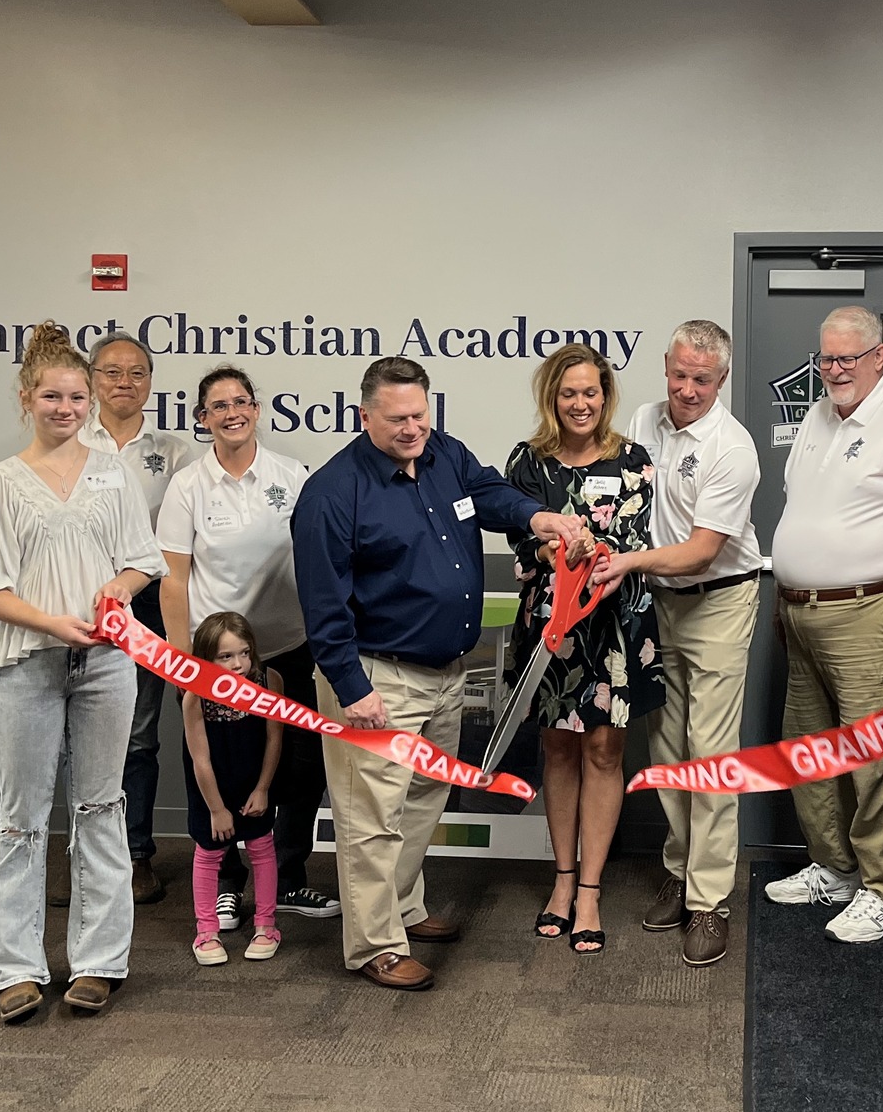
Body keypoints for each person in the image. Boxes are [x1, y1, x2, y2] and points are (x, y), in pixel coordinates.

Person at [292, 357, 590, 991]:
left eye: (420, 414)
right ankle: (373, 945)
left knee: (423, 801)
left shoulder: (443, 455)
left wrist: (539, 518)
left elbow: (490, 494)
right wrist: (353, 690)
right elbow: (322, 611)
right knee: (371, 816)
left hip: (444, 672)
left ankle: (401, 910)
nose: (411, 428)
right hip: (377, 678)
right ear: (364, 415)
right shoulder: (331, 493)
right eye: (397, 418)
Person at [0, 321, 165, 1024]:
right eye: (52, 396)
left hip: (107, 664)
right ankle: (12, 970)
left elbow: (141, 558)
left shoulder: (113, 475)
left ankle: (100, 963)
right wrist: (53, 622)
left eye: (76, 396)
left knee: (101, 809)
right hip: (25, 664)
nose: (66, 408)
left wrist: (117, 593)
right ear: (25, 398)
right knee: (21, 819)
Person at [765, 305, 883, 944]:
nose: (835, 370)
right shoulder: (818, 416)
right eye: (826, 358)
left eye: (849, 357)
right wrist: (784, 596)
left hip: (874, 610)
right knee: (811, 747)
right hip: (802, 611)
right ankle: (837, 869)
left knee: (880, 757)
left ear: (881, 356)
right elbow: (806, 513)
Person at [598, 319, 763, 968]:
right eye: (678, 374)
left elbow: (700, 552)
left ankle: (710, 901)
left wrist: (627, 565)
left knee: (710, 751)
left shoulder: (732, 446)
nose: (687, 389)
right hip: (654, 605)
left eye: (701, 378)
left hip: (717, 600)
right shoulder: (641, 420)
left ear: (722, 379)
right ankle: (682, 869)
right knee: (665, 744)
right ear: (665, 366)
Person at [157, 365, 339, 933]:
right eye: (218, 405)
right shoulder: (187, 485)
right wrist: (182, 659)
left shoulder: (294, 476)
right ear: (203, 419)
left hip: (288, 648)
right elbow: (172, 579)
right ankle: (230, 883)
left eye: (242, 401)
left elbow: (320, 559)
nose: (232, 412)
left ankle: (284, 878)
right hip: (217, 661)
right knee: (223, 768)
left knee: (301, 767)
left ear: (257, 409)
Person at [503, 343, 664, 956]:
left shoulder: (634, 460)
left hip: (612, 625)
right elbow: (521, 537)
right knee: (559, 751)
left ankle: (591, 890)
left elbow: (632, 538)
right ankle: (562, 882)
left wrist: (591, 557)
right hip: (551, 626)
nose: (580, 403)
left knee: (603, 751)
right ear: (553, 397)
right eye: (568, 393)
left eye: (590, 392)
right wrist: (546, 553)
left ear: (605, 396)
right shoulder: (528, 462)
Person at [80, 331, 199, 905]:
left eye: (136, 373)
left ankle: (135, 855)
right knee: (75, 735)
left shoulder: (175, 453)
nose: (123, 382)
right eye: (111, 372)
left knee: (138, 737)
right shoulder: (70, 438)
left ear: (150, 382)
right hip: (77, 599)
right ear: (91, 378)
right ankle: (85, 860)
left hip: (147, 602)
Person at [182, 610, 284, 966]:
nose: (238, 664)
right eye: (225, 656)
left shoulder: (269, 680)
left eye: (244, 652)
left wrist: (263, 788)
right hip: (212, 787)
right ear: (207, 658)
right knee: (208, 853)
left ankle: (266, 925)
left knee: (262, 846)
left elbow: (274, 738)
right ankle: (206, 930)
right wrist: (216, 808)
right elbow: (200, 759)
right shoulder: (195, 695)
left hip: (253, 781)